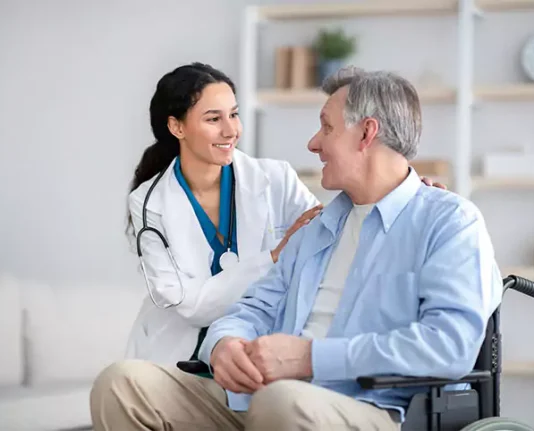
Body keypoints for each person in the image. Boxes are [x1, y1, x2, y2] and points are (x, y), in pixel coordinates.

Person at [90, 67, 466, 430]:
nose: (312, 143)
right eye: (213, 118)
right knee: (120, 384)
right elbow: (240, 304)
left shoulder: (444, 220)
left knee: (281, 401)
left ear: (366, 134)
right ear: (177, 127)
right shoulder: (320, 227)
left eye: (326, 127)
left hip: (352, 397)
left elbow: (449, 344)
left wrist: (308, 358)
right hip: (226, 370)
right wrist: (223, 344)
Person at [124, 62, 443, 366]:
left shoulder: (274, 179)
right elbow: (190, 306)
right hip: (175, 352)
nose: (230, 130)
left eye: (234, 115)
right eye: (213, 119)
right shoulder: (148, 204)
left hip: (250, 353)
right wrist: (275, 255)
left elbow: (333, 230)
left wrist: (408, 194)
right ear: (176, 126)